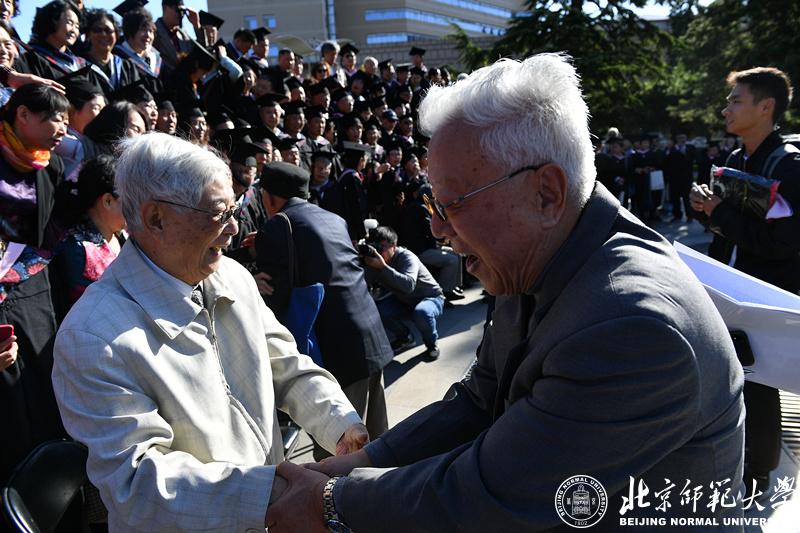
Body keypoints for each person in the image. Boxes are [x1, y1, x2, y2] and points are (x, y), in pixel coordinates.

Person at [265, 53, 745, 532]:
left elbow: (490, 495)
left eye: (452, 204)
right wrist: (355, 463)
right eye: (431, 203)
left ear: (546, 193)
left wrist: (329, 503)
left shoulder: (631, 326)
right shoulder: (539, 255)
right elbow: (477, 400)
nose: (436, 229)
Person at [51, 133, 369, 532]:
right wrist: (276, 493)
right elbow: (139, 485)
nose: (235, 228)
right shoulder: (93, 337)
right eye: (219, 214)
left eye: (235, 209)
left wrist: (343, 425)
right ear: (155, 218)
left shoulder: (232, 277)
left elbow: (286, 366)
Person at [690, 66, 800, 497]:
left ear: (766, 107)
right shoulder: (736, 162)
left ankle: (758, 475)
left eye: (736, 100)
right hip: (728, 286)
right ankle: (740, 462)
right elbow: (733, 229)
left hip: (765, 293)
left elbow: (782, 244)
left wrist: (720, 213)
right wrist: (708, 209)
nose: (726, 109)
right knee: (731, 376)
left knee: (760, 382)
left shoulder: (789, 168)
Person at [256, 162, 393, 449]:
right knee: (377, 438)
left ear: (268, 197)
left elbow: (274, 292)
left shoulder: (277, 225)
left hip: (335, 348)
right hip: (370, 335)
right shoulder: (332, 218)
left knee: (342, 449)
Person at [0, 83, 69, 484]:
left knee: (41, 386)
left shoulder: (51, 167)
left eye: (63, 117)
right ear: (21, 114)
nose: (61, 127)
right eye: (51, 117)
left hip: (33, 290)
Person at [52, 155, 125, 313]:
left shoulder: (123, 236)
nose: (137, 208)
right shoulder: (76, 249)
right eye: (130, 200)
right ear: (108, 201)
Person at [363, 225, 444, 359]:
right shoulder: (374, 261)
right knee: (376, 310)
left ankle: (431, 343)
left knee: (422, 312)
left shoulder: (407, 257)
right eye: (375, 247)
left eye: (381, 247)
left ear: (393, 246)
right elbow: (365, 283)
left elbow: (408, 286)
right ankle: (405, 338)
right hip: (403, 300)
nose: (378, 252)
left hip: (430, 298)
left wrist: (383, 268)